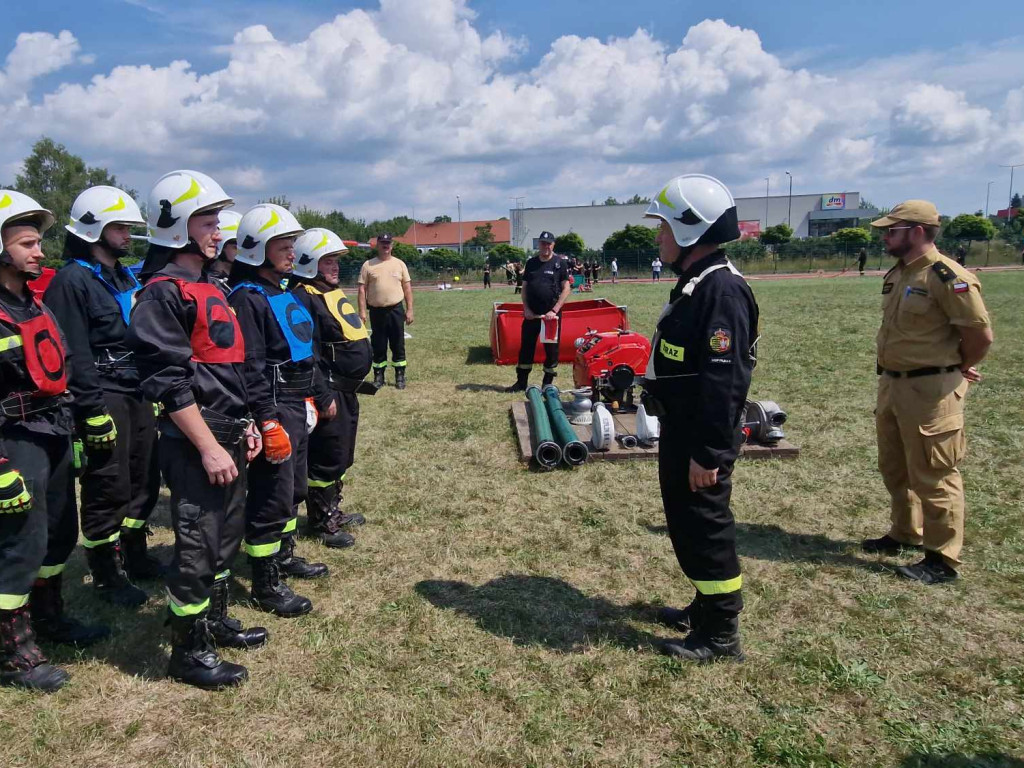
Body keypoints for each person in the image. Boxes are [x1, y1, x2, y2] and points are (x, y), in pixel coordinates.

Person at [126, 170, 266, 689]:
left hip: (228, 430)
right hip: (195, 440)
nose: (218, 230)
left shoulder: (211, 286)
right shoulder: (162, 294)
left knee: (225, 537)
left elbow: (227, 371)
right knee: (195, 544)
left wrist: (245, 424)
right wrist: (208, 447)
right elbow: (168, 382)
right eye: (207, 220)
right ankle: (187, 650)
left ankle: (213, 619)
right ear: (178, 227)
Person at [640, 174, 759, 662]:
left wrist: (707, 452)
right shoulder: (696, 284)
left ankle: (721, 633)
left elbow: (724, 382)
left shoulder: (721, 291)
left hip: (699, 438)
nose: (658, 236)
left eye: (664, 227)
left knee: (705, 526)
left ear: (691, 230)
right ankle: (704, 606)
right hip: (683, 429)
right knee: (687, 525)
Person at [0, 190, 108, 692]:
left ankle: (49, 620)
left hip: (54, 431)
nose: (39, 252)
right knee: (19, 546)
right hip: (13, 439)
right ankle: (12, 652)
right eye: (26, 243)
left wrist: (80, 429)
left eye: (38, 241)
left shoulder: (34, 302)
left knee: (58, 535)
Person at [863, 200, 993, 584]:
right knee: (896, 467)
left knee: (935, 473)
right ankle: (905, 532)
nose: (886, 237)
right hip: (893, 383)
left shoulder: (946, 275)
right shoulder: (901, 273)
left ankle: (942, 558)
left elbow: (979, 334)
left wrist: (956, 367)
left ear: (917, 232)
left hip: (931, 390)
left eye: (892, 230)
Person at [44, 186, 159, 606]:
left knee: (144, 475)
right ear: (93, 228)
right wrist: (91, 411)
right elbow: (73, 351)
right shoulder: (70, 281)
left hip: (137, 388)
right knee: (108, 482)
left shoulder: (123, 274)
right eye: (118, 226)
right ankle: (106, 572)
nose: (127, 233)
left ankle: (135, 555)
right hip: (104, 392)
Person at [228, 204, 333, 615]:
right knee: (270, 497)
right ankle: (264, 582)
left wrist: (319, 395)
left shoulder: (284, 292)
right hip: (273, 406)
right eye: (283, 245)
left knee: (293, 490)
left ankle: (285, 556)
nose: (293, 252)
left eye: (292, 244)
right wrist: (266, 419)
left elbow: (306, 354)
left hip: (297, 401)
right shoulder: (247, 299)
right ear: (257, 250)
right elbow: (250, 367)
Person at [290, 228, 372, 549]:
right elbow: (306, 352)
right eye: (328, 261)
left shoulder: (327, 290)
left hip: (345, 391)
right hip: (328, 391)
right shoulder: (302, 297)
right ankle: (322, 520)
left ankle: (331, 508)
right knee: (325, 457)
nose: (335, 267)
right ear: (309, 263)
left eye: (336, 260)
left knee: (339, 455)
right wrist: (321, 395)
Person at [505, 231, 571, 393]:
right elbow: (525, 288)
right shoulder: (531, 263)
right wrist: (526, 309)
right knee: (526, 347)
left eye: (548, 243)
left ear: (553, 245)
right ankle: (521, 382)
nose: (546, 246)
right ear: (539, 245)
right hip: (531, 314)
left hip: (551, 316)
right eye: (543, 243)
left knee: (551, 350)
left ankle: (547, 384)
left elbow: (566, 288)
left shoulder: (559, 263)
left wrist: (554, 310)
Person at [358, 233, 413, 390]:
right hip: (376, 311)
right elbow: (362, 289)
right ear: (377, 245)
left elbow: (407, 288)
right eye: (383, 243)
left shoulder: (400, 264)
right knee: (378, 345)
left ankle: (400, 376)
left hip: (396, 309)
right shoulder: (368, 265)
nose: (386, 245)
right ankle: (378, 376)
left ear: (392, 245)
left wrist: (410, 310)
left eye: (388, 243)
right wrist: (362, 312)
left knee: (398, 344)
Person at [205, 209, 241, 295]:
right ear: (220, 246)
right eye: (235, 247)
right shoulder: (208, 284)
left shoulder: (243, 280)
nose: (241, 252)